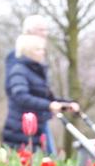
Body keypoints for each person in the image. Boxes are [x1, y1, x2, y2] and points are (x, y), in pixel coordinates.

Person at [1, 34, 77, 151]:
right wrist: (49, 105)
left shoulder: (35, 71)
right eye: (38, 49)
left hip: (38, 128)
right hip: (20, 130)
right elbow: (21, 96)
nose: (42, 52)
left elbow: (45, 98)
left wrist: (67, 104)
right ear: (28, 51)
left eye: (43, 49)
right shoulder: (19, 70)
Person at [4, 16, 58, 153]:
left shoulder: (37, 65)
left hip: (40, 120)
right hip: (22, 124)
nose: (45, 33)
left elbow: (41, 92)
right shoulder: (17, 62)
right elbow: (19, 93)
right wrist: (48, 105)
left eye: (46, 29)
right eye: (41, 29)